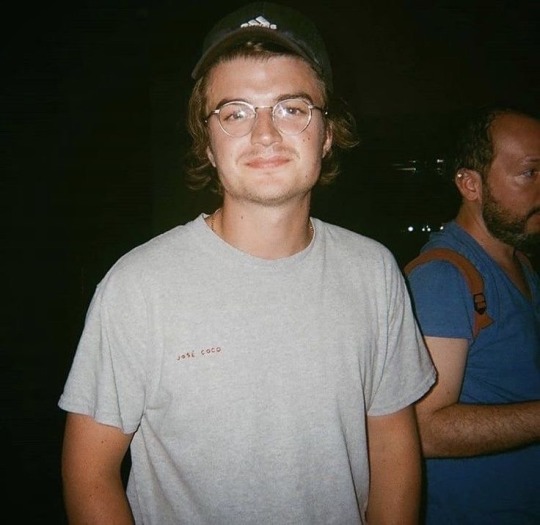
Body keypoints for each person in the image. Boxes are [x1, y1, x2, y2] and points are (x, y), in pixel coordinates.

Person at [58, 2, 436, 523]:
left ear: (327, 134)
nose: (264, 134)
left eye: (292, 108)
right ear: (208, 145)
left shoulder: (374, 271)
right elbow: (89, 475)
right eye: (235, 113)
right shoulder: (138, 285)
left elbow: (392, 447)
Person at [405, 106, 540, 524]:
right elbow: (425, 430)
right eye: (530, 173)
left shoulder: (522, 263)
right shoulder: (444, 278)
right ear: (470, 184)